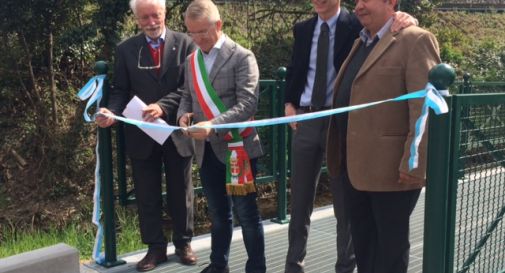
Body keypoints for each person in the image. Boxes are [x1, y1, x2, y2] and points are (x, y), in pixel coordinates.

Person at [283, 0, 418, 272]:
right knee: (299, 199)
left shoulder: (359, 25)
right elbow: (296, 69)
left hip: (345, 123)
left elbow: (391, 26)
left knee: (347, 203)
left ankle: (345, 266)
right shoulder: (303, 29)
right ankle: (293, 264)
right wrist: (289, 102)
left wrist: (407, 18)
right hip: (307, 119)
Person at [326, 0, 440, 271]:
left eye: (367, 0)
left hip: (392, 171)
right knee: (365, 249)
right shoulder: (361, 42)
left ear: (391, 2)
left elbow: (425, 108)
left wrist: (414, 163)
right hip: (355, 168)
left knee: (389, 251)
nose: (359, 6)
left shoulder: (415, 39)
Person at [95, 0, 197, 271]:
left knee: (181, 191)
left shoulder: (187, 43)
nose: (151, 22)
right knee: (146, 194)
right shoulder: (126, 49)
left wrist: (163, 106)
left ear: (165, 13)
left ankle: (184, 243)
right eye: (144, 17)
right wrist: (110, 113)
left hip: (175, 130)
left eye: (156, 15)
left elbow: (191, 88)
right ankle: (155, 248)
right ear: (136, 19)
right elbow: (120, 90)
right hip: (141, 134)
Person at [177, 1, 266, 273]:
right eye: (192, 33)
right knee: (217, 214)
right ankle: (218, 264)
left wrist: (212, 125)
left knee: (247, 215)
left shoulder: (242, 56)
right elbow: (187, 95)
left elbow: (248, 103)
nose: (197, 38)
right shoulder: (192, 60)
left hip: (237, 147)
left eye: (202, 31)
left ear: (219, 25)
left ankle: (256, 267)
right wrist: (183, 114)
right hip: (205, 150)